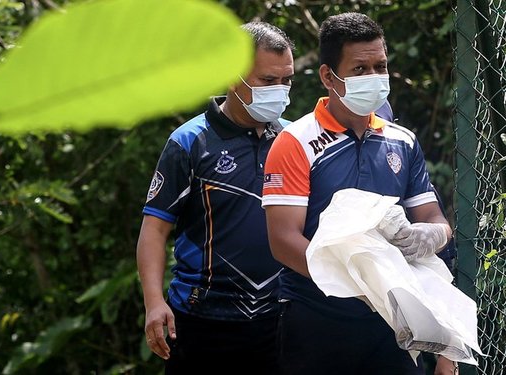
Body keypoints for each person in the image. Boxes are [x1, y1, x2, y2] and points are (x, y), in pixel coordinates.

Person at [261, 12, 458, 375]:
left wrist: (433, 235)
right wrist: (358, 281)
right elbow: (283, 240)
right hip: (318, 320)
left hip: (394, 322)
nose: (375, 78)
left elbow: (433, 218)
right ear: (327, 77)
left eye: (380, 66)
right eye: (360, 69)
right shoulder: (294, 142)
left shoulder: (403, 140)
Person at [135, 21, 294, 374]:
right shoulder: (190, 141)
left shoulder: (292, 138)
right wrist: (153, 302)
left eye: (287, 81)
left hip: (276, 318)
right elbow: (155, 228)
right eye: (269, 81)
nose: (281, 92)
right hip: (200, 321)